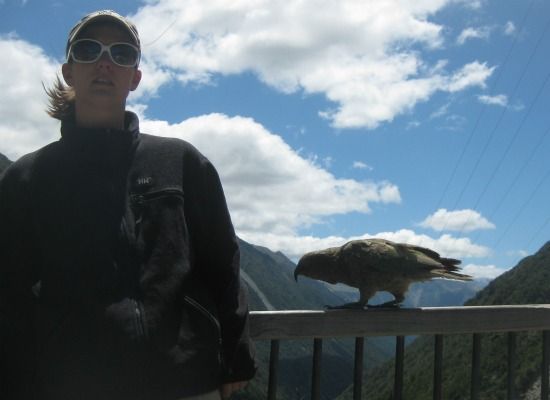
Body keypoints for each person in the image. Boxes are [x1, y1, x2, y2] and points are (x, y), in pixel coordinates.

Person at [0, 10, 256, 400]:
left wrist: (236, 354)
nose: (105, 62)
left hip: (185, 382)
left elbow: (223, 260)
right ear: (69, 71)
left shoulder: (182, 163)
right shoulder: (27, 177)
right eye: (89, 50)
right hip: (72, 385)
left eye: (121, 54)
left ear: (135, 77)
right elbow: (8, 291)